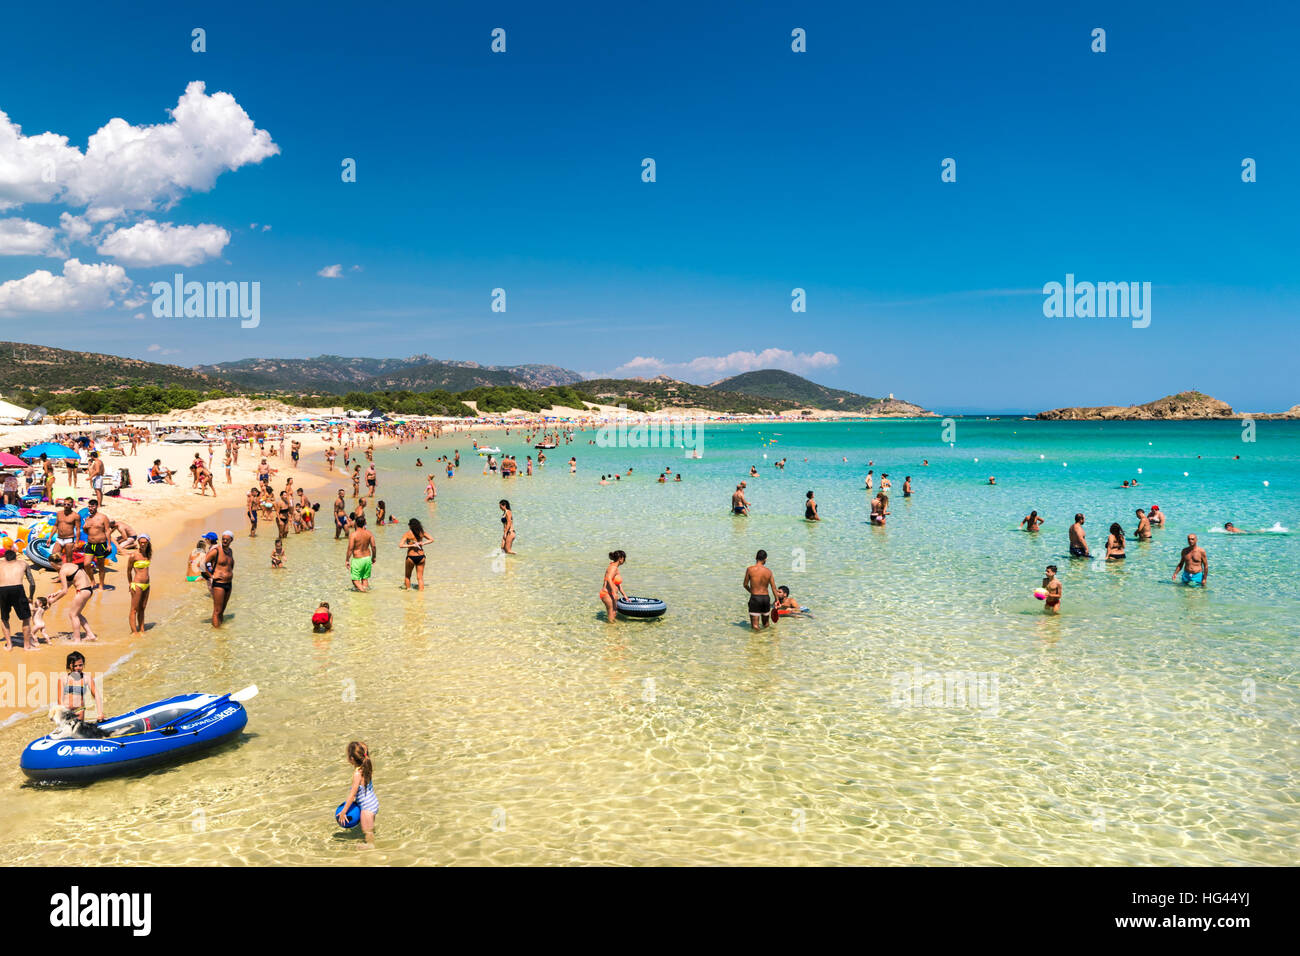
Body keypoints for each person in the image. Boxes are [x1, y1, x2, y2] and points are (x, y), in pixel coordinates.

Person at [337, 741, 378, 846]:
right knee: (369, 828)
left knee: (367, 832)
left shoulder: (357, 774)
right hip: (372, 802)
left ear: (351, 759)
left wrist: (343, 812)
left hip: (367, 808)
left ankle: (371, 848)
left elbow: (352, 795)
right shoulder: (367, 765)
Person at [50, 553, 98, 642]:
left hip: (82, 591)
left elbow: (65, 591)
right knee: (77, 614)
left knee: (73, 615)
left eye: (51, 565)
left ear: (52, 564)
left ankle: (77, 639)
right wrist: (56, 593)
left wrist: (53, 600)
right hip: (88, 590)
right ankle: (91, 635)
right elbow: (69, 583)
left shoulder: (62, 571)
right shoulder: (70, 565)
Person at [0, 547, 37, 650]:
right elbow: (32, 583)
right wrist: (30, 597)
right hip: (18, 589)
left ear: (5, 558)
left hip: (2, 590)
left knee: (4, 618)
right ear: (16, 557)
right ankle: (26, 646)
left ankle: (9, 645)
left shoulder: (0, 564)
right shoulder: (23, 563)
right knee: (26, 618)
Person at [58, 651, 102, 722]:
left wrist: (100, 713)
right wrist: (64, 714)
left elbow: (96, 695)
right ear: (69, 666)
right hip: (66, 711)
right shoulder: (63, 679)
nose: (78, 668)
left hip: (79, 710)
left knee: (78, 730)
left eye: (80, 665)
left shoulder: (87, 678)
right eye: (75, 666)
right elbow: (60, 700)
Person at [205, 531, 236, 628]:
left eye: (227, 539)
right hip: (219, 583)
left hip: (229, 583)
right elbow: (204, 563)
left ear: (231, 540)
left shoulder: (230, 551)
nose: (225, 541)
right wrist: (211, 575)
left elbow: (230, 565)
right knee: (217, 611)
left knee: (222, 610)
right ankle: (216, 633)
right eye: (223, 539)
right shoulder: (216, 551)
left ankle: (220, 633)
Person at [743, 550, 779, 630]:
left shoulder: (750, 569)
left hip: (755, 598)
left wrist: (751, 592)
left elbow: (745, 585)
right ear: (765, 559)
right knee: (766, 624)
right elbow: (773, 588)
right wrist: (777, 600)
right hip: (766, 598)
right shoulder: (769, 572)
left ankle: (758, 640)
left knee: (755, 626)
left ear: (756, 557)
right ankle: (767, 639)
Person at [82, 499, 112, 589]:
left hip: (101, 545)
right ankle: (92, 581)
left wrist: (109, 544)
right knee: (86, 564)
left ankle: (101, 584)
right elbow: (87, 531)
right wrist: (84, 528)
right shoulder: (87, 519)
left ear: (96, 506)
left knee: (101, 566)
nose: (90, 508)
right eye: (89, 506)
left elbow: (107, 530)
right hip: (90, 544)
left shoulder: (103, 517)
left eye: (92, 506)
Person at [126, 535, 152, 637]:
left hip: (147, 584)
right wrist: (130, 583)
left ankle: (141, 629)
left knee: (143, 608)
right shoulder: (134, 555)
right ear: (138, 542)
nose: (142, 544)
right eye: (141, 542)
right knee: (134, 609)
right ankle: (134, 632)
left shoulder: (148, 554)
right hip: (137, 584)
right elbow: (128, 571)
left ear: (148, 543)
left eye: (144, 542)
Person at [399, 518, 433, 590]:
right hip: (421, 557)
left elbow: (400, 545)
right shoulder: (421, 532)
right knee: (420, 578)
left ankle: (408, 593)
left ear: (411, 526)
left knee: (407, 576)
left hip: (411, 557)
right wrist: (423, 543)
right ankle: (421, 596)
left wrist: (411, 545)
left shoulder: (407, 534)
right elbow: (431, 539)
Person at [346, 515, 376, 591]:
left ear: (356, 523)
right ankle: (365, 596)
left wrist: (347, 560)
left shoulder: (353, 535)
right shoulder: (369, 533)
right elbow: (373, 546)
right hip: (367, 558)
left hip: (358, 559)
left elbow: (350, 548)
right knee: (364, 579)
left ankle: (364, 592)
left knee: (355, 580)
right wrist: (374, 557)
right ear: (364, 523)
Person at [599, 550, 627, 623]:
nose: (625, 560)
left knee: (614, 613)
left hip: (611, 594)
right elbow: (608, 578)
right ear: (621, 558)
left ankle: (612, 632)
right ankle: (610, 632)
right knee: (611, 617)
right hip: (607, 594)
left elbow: (618, 584)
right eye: (624, 558)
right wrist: (614, 592)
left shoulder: (615, 568)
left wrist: (625, 596)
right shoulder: (613, 568)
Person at [53, 497, 81, 563]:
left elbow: (78, 529)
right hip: (59, 538)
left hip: (69, 539)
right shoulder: (59, 513)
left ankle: (68, 571)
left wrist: (76, 542)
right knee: (54, 555)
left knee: (69, 558)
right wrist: (50, 537)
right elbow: (55, 525)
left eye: (68, 504)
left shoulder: (76, 516)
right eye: (64, 504)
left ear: (72, 505)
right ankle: (60, 570)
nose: (66, 506)